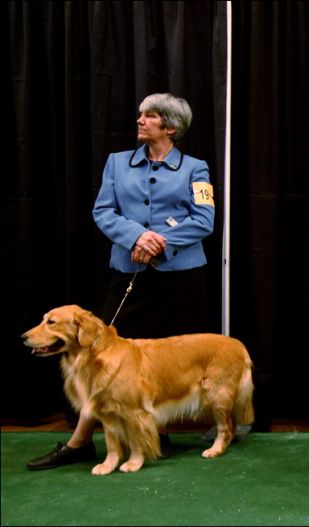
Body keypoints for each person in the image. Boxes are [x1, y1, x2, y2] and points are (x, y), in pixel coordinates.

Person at [26, 93, 216, 470]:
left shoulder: (196, 169)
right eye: (141, 114)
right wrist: (135, 236)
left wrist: (158, 238)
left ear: (171, 127)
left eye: (150, 116)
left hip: (181, 279)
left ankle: (156, 433)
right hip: (129, 274)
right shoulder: (117, 164)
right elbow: (103, 211)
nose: (140, 120)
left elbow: (204, 220)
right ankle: (81, 442)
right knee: (99, 356)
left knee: (168, 360)